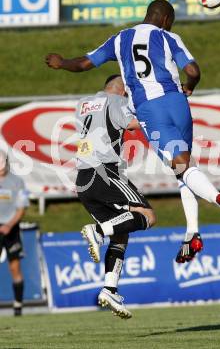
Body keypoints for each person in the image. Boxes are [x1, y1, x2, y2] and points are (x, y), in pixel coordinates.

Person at [46, 0, 220, 264]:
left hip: (149, 110)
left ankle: (218, 198)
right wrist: (190, 86)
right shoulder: (169, 37)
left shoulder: (120, 38)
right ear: (167, 20)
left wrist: (62, 62)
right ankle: (192, 232)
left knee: (181, 167)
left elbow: (85, 64)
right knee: (186, 167)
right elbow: (193, 70)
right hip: (177, 103)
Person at [76, 75, 156, 319]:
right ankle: (98, 232)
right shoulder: (118, 101)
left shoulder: (83, 103)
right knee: (147, 215)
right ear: (122, 90)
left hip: (82, 178)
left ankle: (109, 289)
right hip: (105, 171)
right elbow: (133, 124)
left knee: (121, 230)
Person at [0, 150, 29, 316]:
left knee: (14, 267)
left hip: (11, 229)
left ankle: (18, 306)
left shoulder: (18, 181)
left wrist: (9, 225)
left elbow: (22, 207)